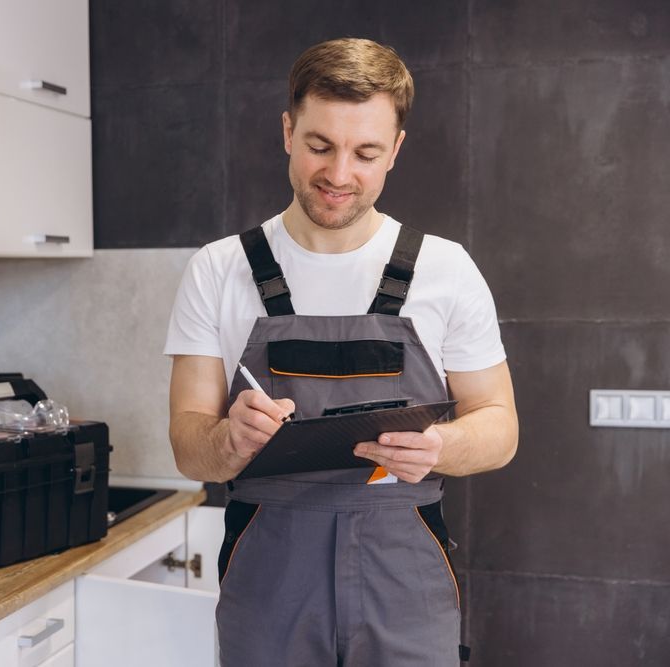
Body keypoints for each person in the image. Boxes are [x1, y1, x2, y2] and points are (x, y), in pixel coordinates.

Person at [164, 38, 519, 666]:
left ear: (396, 152)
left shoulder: (445, 269)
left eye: (366, 153)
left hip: (404, 572)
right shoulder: (218, 270)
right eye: (319, 146)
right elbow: (189, 447)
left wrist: (442, 446)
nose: (339, 175)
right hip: (267, 572)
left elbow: (500, 426)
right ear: (287, 131)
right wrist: (227, 441)